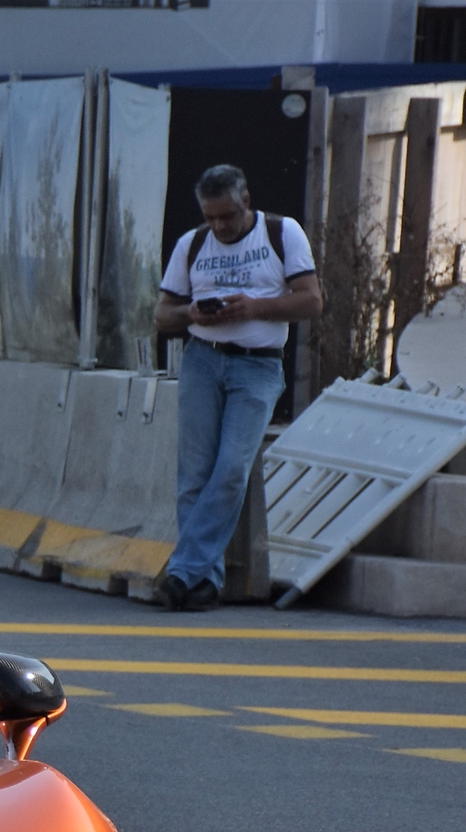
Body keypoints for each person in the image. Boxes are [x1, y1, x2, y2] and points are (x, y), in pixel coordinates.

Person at [150, 163, 322, 612]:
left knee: (230, 469)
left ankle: (182, 571)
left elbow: (311, 300)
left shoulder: (282, 234)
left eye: (226, 216)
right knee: (195, 474)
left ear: (246, 201)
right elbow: (162, 313)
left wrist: (254, 307)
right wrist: (193, 314)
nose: (219, 226)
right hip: (203, 361)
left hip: (257, 366)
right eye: (210, 217)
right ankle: (204, 581)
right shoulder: (193, 244)